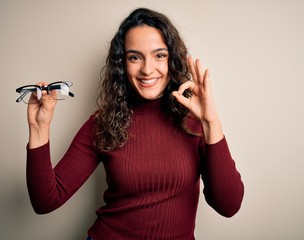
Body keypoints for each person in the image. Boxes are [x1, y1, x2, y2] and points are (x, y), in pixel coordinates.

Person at [25, 8, 244, 240]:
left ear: (172, 60)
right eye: (135, 57)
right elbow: (46, 201)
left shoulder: (195, 123)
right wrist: (39, 129)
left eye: (159, 55)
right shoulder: (103, 123)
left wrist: (211, 121)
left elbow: (228, 206)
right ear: (122, 64)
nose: (147, 69)